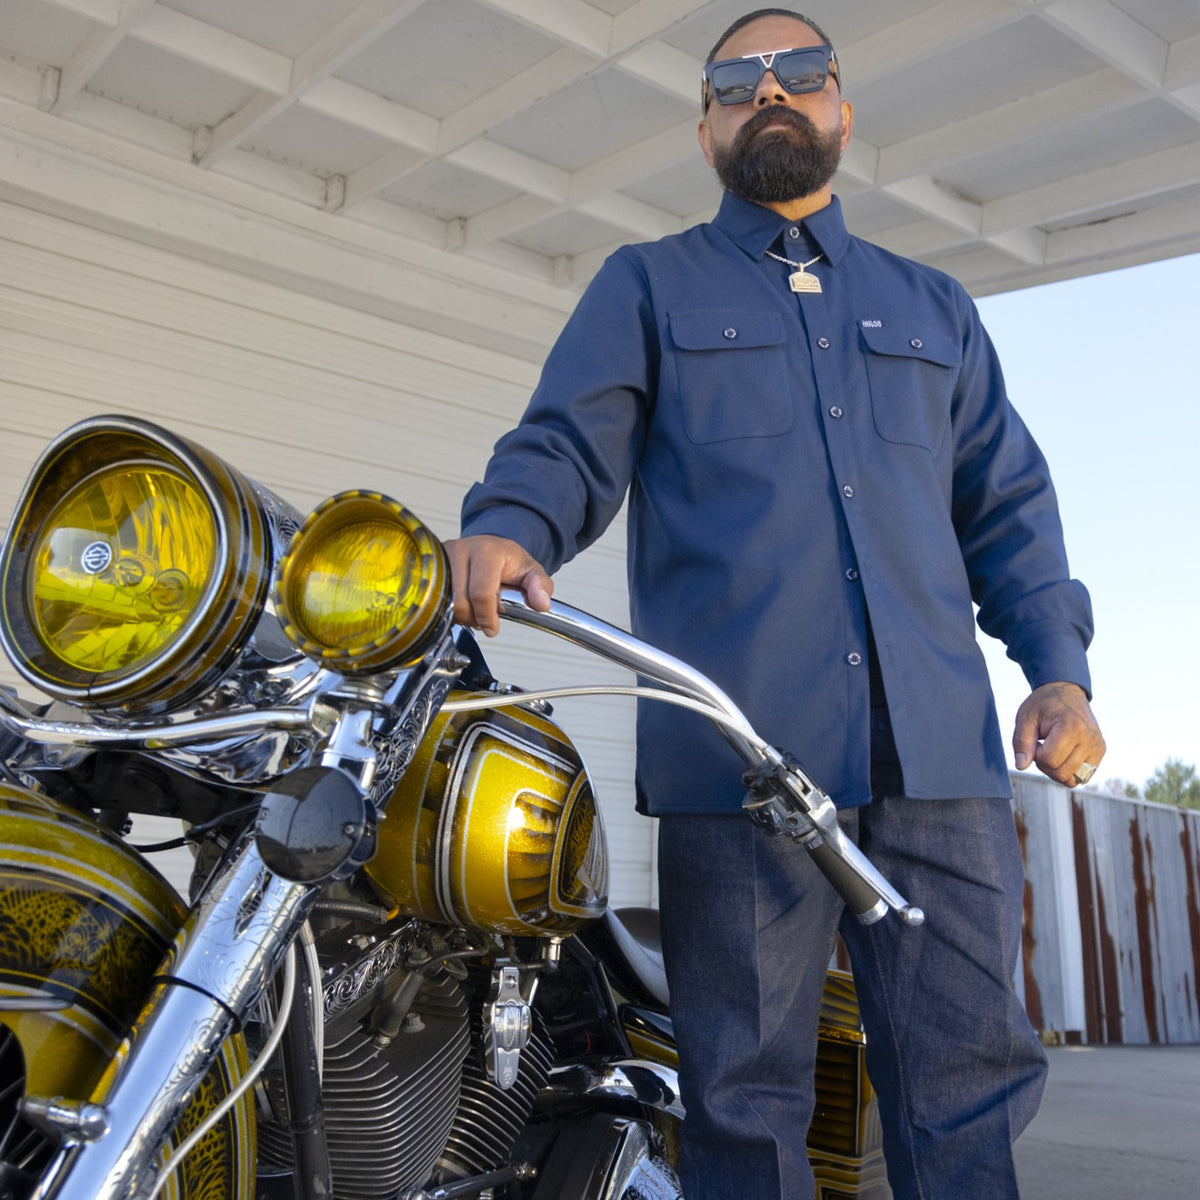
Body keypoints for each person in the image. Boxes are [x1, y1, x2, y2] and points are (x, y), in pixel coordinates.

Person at [447, 8, 1106, 1199]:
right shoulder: (644, 286)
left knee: (964, 1088)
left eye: (800, 72)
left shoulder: (934, 306)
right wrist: (510, 524)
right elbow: (565, 443)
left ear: (842, 111)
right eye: (738, 82)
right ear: (706, 131)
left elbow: (1007, 505)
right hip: (737, 766)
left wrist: (1057, 667)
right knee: (744, 1106)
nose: (772, 92)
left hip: (940, 772)